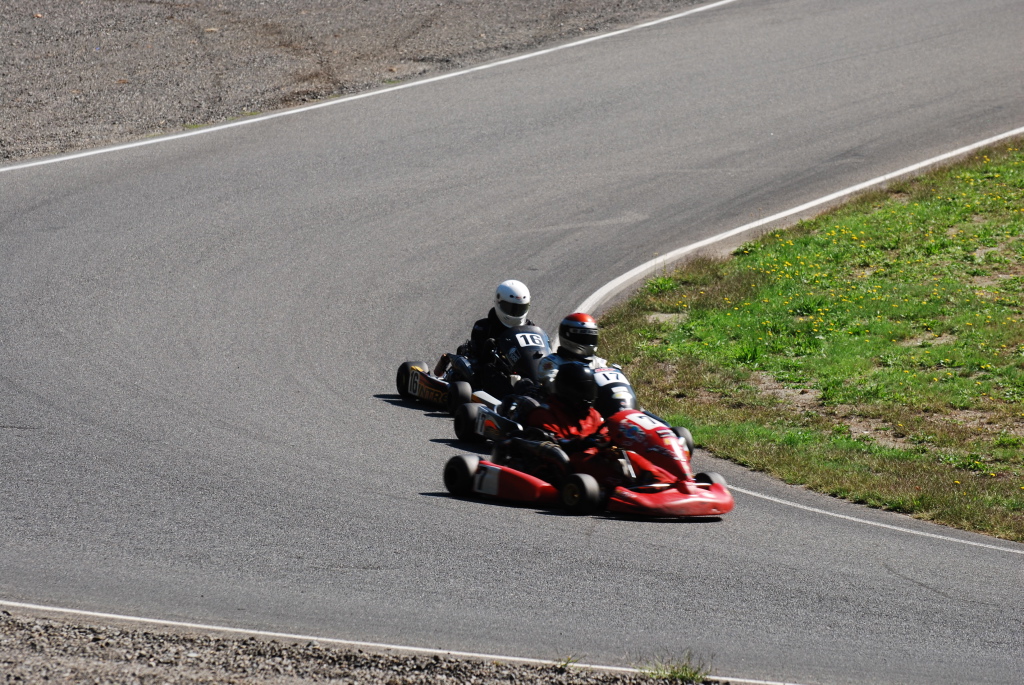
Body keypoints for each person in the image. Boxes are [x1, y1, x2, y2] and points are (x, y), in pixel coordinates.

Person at [498, 362, 670, 487]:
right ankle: (625, 486)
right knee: (586, 462)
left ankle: (662, 480)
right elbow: (552, 445)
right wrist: (584, 442)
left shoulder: (592, 414)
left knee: (630, 455)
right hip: (566, 466)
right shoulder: (544, 414)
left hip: (598, 457)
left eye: (590, 391)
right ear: (569, 390)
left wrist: (613, 438)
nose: (588, 396)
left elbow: (605, 434)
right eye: (584, 391)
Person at [536, 312, 608, 393]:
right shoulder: (553, 362)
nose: (588, 341)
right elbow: (552, 385)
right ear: (568, 336)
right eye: (583, 337)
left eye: (591, 336)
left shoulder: (597, 362)